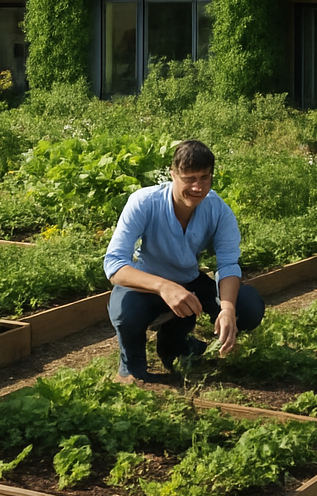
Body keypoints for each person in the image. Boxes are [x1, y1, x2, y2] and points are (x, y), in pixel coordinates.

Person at [103, 139, 265, 383]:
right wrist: (164, 287)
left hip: (189, 281)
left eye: (204, 178)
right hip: (148, 282)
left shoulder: (218, 210)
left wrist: (227, 309)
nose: (198, 187)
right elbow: (114, 265)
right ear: (173, 174)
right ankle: (131, 365)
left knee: (247, 306)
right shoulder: (144, 203)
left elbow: (228, 264)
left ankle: (176, 343)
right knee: (127, 313)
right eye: (189, 179)